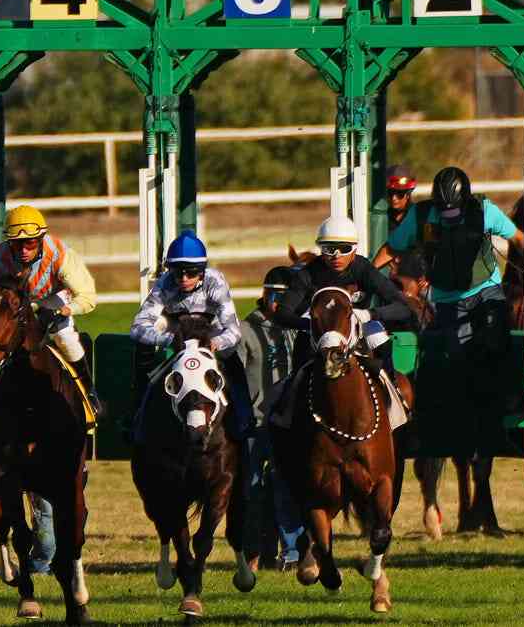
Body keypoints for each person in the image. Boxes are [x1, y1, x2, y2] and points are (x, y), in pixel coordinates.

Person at [370, 167, 524, 440]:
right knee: (457, 354)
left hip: (486, 289)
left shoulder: (484, 209)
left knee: (494, 337)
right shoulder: (419, 217)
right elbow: (391, 249)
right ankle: (463, 414)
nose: (450, 217)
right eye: (445, 212)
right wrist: (366, 274)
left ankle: (505, 401)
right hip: (447, 298)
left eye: (455, 211)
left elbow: (518, 237)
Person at [0, 205, 101, 412]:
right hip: (11, 304)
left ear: (40, 238)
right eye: (16, 244)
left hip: (50, 299)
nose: (24, 250)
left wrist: (65, 312)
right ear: (9, 241)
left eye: (30, 243)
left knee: (65, 337)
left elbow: (88, 297)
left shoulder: (62, 255)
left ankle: (88, 392)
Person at [129, 231, 253, 439]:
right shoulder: (165, 284)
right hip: (178, 337)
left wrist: (216, 342)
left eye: (191, 272)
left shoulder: (216, 282)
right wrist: (168, 339)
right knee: (143, 349)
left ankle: (244, 417)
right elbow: (138, 326)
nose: (183, 279)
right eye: (178, 273)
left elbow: (233, 331)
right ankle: (138, 414)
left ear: (203, 271)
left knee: (231, 355)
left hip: (209, 339)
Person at [276, 215, 412, 391]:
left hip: (358, 320)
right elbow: (281, 313)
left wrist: (369, 314)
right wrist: (312, 323)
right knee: (301, 347)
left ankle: (393, 394)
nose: (336, 256)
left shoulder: (364, 269)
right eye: (329, 249)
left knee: (381, 343)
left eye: (344, 248)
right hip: (322, 325)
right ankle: (289, 405)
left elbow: (403, 307)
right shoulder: (308, 273)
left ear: (354, 250)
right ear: (320, 249)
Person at [237, 267, 304, 572]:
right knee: (251, 490)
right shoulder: (245, 330)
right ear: (265, 295)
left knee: (286, 487)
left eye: (285, 296)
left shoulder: (293, 329)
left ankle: (292, 551)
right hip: (254, 422)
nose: (280, 302)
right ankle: (252, 553)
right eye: (275, 295)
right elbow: (234, 377)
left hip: (285, 424)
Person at [386, 164, 417, 233]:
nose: (394, 198)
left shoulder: (418, 216)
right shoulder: (382, 219)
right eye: (390, 193)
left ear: (408, 194)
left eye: (400, 193)